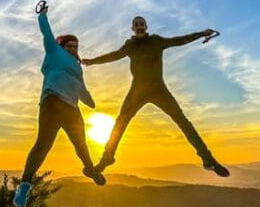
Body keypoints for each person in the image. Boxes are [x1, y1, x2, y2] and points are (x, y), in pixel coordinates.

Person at [82, 15, 230, 177]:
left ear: (146, 27)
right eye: (136, 24)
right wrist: (92, 61)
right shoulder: (130, 45)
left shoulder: (156, 41)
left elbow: (178, 40)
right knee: (120, 123)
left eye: (141, 24)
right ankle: (106, 160)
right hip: (137, 90)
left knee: (183, 122)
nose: (139, 26)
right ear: (132, 28)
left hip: (158, 89)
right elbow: (113, 56)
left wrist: (201, 34)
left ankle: (208, 159)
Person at [13, 3, 105, 207]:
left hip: (72, 108)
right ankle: (24, 187)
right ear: (62, 46)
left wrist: (91, 103)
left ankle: (90, 170)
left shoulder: (77, 68)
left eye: (76, 47)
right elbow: (46, 33)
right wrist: (43, 16)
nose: (73, 49)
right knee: (43, 145)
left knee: (81, 144)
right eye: (69, 46)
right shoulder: (54, 53)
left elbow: (82, 90)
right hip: (52, 103)